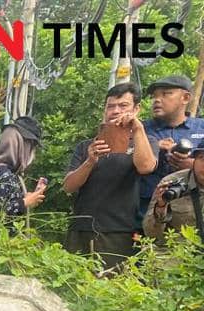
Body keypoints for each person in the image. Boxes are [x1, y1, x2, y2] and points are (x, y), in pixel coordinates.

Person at [63, 82, 157, 272]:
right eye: (110, 106)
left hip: (118, 232)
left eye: (123, 105)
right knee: (71, 284)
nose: (115, 111)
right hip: (80, 228)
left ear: (136, 109)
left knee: (110, 285)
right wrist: (90, 161)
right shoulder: (86, 146)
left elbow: (146, 167)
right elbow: (68, 187)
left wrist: (138, 129)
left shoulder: (145, 142)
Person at [139, 73, 204, 228]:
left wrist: (194, 165)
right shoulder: (140, 129)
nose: (157, 100)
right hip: (145, 216)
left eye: (166, 94)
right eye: (154, 96)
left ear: (185, 98)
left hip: (193, 216)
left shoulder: (201, 127)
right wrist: (154, 146)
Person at [0, 116, 45, 219]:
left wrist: (24, 199)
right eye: (32, 147)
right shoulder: (2, 173)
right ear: (22, 145)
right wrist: (25, 202)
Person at [143, 138, 204, 243]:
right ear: (194, 160)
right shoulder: (171, 183)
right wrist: (161, 207)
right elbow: (151, 234)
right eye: (202, 158)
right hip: (180, 248)